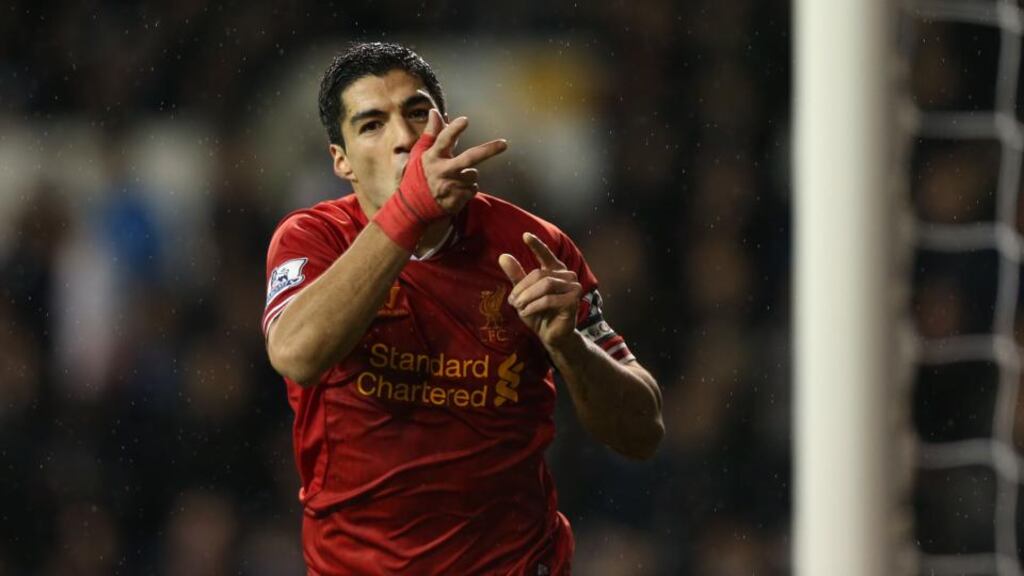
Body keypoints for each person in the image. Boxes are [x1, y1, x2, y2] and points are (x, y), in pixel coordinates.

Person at [262, 42, 664, 576]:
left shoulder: (531, 246)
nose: (404, 138)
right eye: (372, 125)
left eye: (415, 112)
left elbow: (643, 431)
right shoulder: (313, 240)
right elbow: (295, 353)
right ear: (340, 160)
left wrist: (571, 348)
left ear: (444, 125)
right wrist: (411, 212)